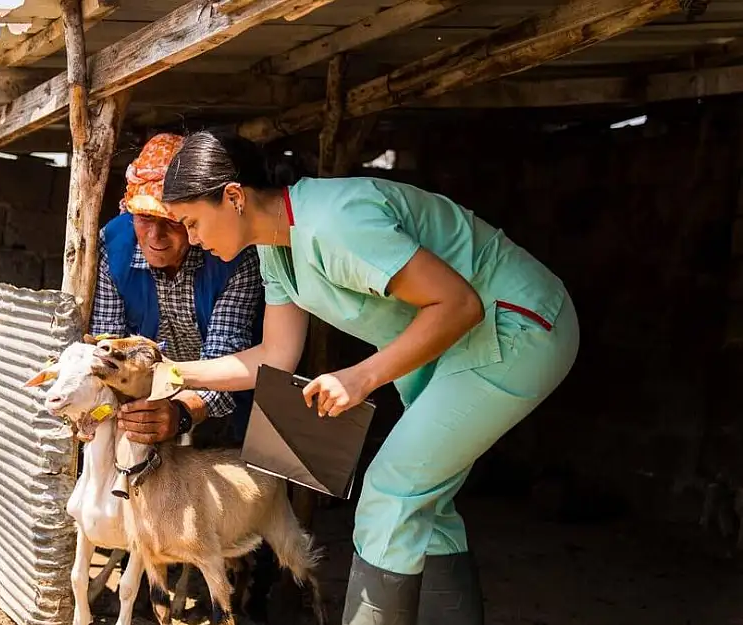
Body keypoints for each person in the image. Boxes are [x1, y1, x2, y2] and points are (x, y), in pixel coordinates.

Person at [155, 129, 580, 625]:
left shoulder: (337, 222)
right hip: (453, 345)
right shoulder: (276, 247)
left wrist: (361, 377)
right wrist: (169, 372)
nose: (193, 238)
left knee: (391, 491)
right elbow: (273, 356)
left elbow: (459, 303)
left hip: (516, 325)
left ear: (233, 197)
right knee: (423, 509)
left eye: (192, 222)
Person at [88, 132, 278, 618]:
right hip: (148, 386)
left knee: (249, 482)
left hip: (233, 381)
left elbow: (230, 353)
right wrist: (128, 407)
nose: (154, 237)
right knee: (139, 475)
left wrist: (183, 412)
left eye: (172, 223)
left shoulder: (233, 251)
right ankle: (155, 581)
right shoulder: (112, 246)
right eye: (143, 220)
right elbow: (110, 344)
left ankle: (251, 589)